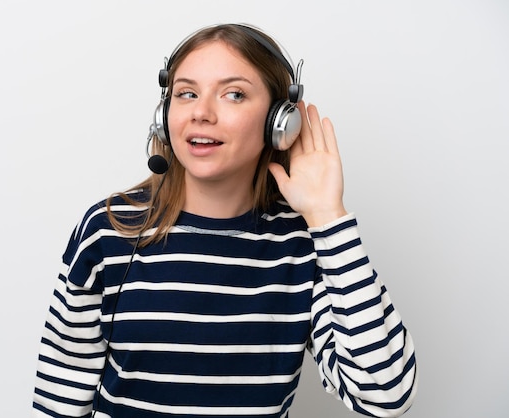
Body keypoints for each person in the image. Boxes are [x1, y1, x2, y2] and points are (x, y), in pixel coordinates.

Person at [32, 23, 418, 418]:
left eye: (233, 94)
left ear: (279, 122)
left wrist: (328, 216)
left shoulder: (305, 245)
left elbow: (385, 393)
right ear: (164, 114)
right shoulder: (109, 230)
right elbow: (59, 396)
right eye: (186, 93)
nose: (201, 112)